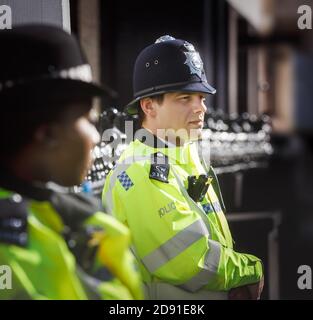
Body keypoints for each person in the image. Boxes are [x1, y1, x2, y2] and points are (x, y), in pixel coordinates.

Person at [102, 35, 264, 300]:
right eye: (185, 98)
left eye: (201, 97)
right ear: (149, 105)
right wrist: (247, 271)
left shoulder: (185, 156)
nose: (199, 108)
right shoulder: (141, 171)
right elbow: (189, 259)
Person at [0, 25, 143, 300]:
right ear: (48, 133)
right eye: (88, 120)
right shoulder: (12, 244)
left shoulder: (61, 213)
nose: (96, 138)